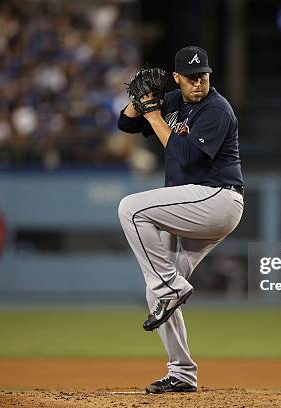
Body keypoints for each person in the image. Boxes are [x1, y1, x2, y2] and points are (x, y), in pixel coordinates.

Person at [117, 46, 244, 394]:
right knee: (157, 294)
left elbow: (186, 157)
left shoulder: (216, 109)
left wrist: (155, 115)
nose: (198, 83)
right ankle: (182, 373)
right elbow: (126, 123)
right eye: (190, 78)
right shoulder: (174, 100)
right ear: (177, 78)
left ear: (209, 74)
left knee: (131, 208)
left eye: (202, 75)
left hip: (217, 199)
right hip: (190, 207)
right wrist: (139, 101)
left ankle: (170, 286)